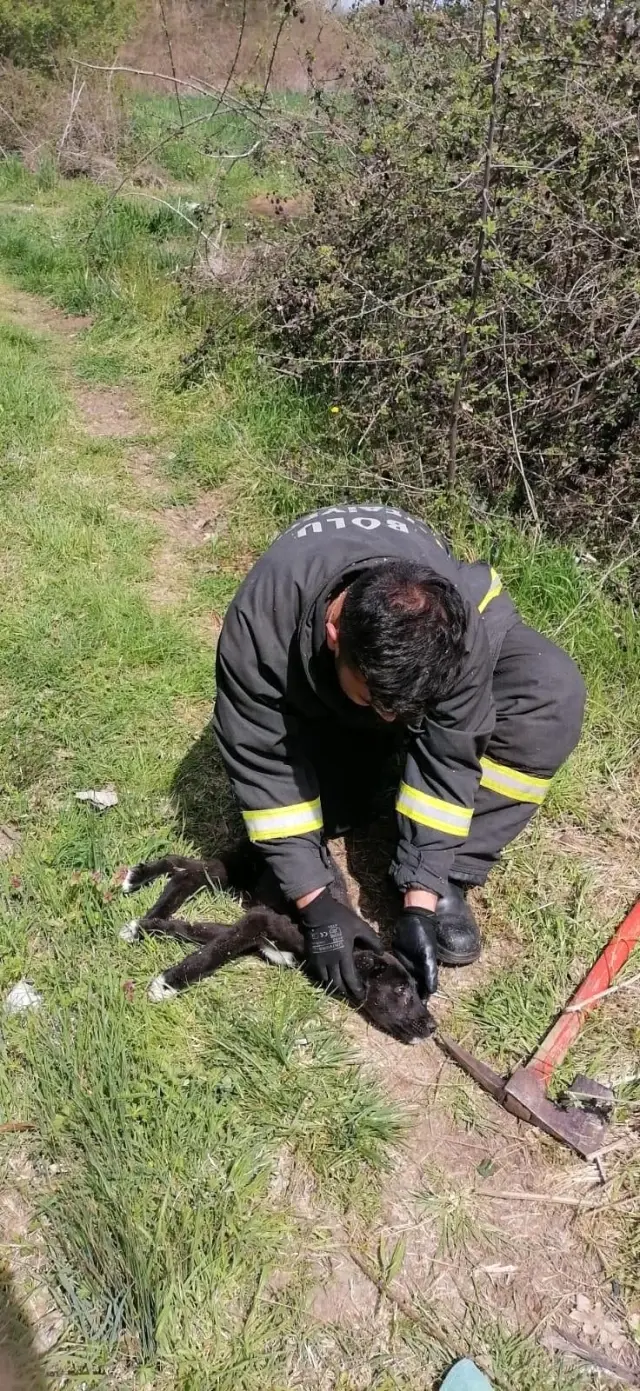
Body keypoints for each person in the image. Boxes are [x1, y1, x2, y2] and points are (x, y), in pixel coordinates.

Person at [213, 504, 585, 1002]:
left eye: (404, 712)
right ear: (334, 631)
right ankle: (356, 752)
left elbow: (450, 754)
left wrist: (421, 900)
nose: (391, 719)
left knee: (551, 692)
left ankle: (452, 867)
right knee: (327, 813)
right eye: (376, 701)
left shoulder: (453, 628)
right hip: (314, 675)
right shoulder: (263, 623)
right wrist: (315, 900)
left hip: (416, 640)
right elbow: (260, 756)